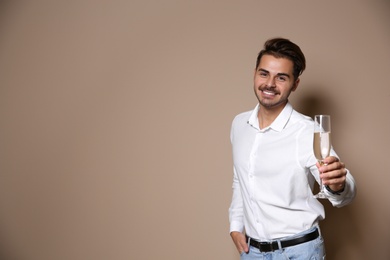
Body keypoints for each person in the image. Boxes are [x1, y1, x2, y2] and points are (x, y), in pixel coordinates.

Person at [228, 37, 356, 259]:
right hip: (253, 252)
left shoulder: (307, 132)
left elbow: (345, 192)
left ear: (295, 84)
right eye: (264, 73)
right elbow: (241, 179)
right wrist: (235, 225)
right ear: (254, 73)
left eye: (281, 77)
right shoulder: (239, 124)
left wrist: (338, 185)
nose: (269, 84)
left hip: (298, 252)